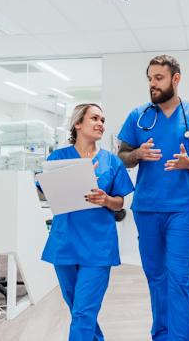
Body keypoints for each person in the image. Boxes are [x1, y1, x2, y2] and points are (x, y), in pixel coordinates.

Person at [117, 55, 189, 341]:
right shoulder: (138, 116)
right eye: (149, 78)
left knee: (180, 277)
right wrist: (137, 155)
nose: (152, 84)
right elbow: (123, 157)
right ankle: (163, 335)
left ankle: (179, 337)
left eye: (158, 78)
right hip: (146, 208)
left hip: (182, 208)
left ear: (176, 79)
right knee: (157, 277)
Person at [41, 103, 134, 341]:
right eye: (94, 118)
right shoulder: (58, 158)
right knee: (78, 310)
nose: (101, 123)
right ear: (78, 123)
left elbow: (120, 203)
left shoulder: (112, 162)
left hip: (97, 246)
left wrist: (105, 200)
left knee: (84, 312)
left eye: (103, 119)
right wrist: (69, 179)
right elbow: (44, 193)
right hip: (65, 244)